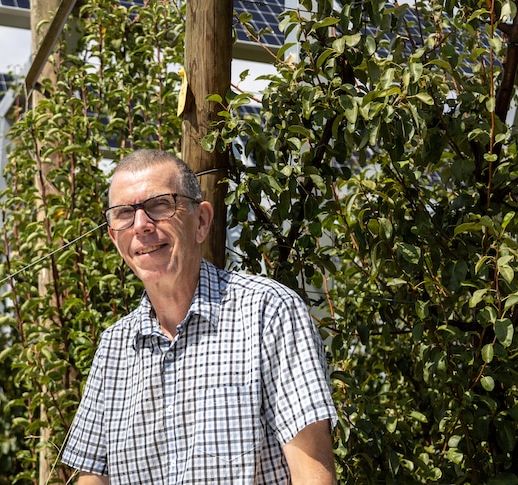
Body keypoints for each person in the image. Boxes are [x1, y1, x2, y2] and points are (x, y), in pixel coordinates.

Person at [61, 149, 337, 484]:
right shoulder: (114, 348)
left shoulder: (268, 313)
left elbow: (312, 474)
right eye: (124, 214)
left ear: (202, 221)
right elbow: (92, 477)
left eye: (160, 206)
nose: (141, 226)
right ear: (114, 237)